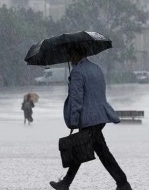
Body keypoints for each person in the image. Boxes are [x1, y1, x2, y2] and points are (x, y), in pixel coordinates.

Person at [49, 46, 132, 190]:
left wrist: (74, 121)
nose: (70, 59)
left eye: (70, 55)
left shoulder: (77, 72)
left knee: (100, 152)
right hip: (100, 116)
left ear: (75, 54)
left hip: (88, 119)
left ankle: (123, 182)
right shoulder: (96, 68)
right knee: (83, 148)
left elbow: (76, 99)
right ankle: (66, 183)